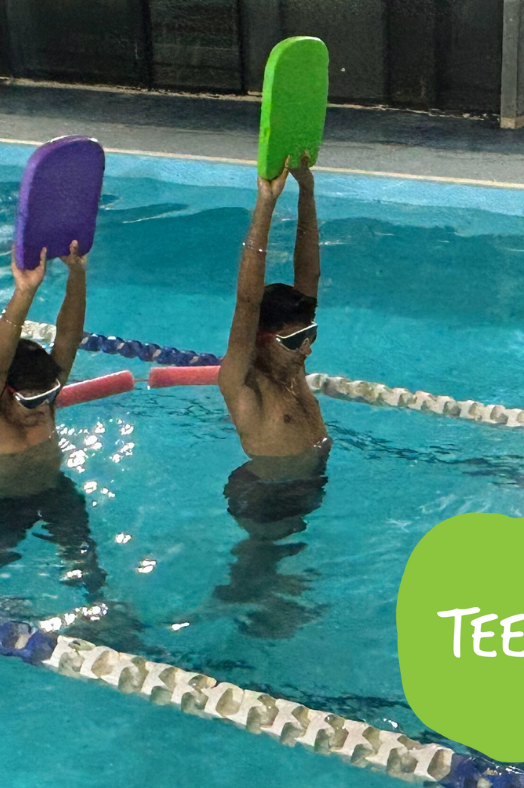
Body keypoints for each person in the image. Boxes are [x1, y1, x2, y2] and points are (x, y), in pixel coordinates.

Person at [214, 156, 330, 639]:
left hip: (300, 486)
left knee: (278, 574)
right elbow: (246, 302)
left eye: (311, 333)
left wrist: (306, 189)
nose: (307, 347)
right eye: (294, 340)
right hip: (268, 499)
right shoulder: (245, 384)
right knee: (253, 589)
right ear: (263, 339)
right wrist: (266, 202)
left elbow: (311, 277)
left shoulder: (292, 368)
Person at [0, 242, 105, 599]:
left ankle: (103, 611)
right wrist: (25, 292)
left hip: (56, 490)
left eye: (51, 393)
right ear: (6, 392)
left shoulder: (44, 399)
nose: (45, 406)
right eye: (33, 400)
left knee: (88, 564)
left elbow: (68, 338)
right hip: (5, 503)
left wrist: (77, 273)